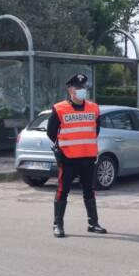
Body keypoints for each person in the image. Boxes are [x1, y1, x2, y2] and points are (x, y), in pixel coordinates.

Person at [46, 73, 107, 238]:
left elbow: (96, 130)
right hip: (68, 158)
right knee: (62, 191)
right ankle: (58, 225)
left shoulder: (94, 108)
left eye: (83, 88)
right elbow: (51, 133)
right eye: (77, 88)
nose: (81, 90)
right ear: (70, 89)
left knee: (89, 190)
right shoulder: (59, 108)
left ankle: (93, 223)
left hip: (88, 157)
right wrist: (65, 146)